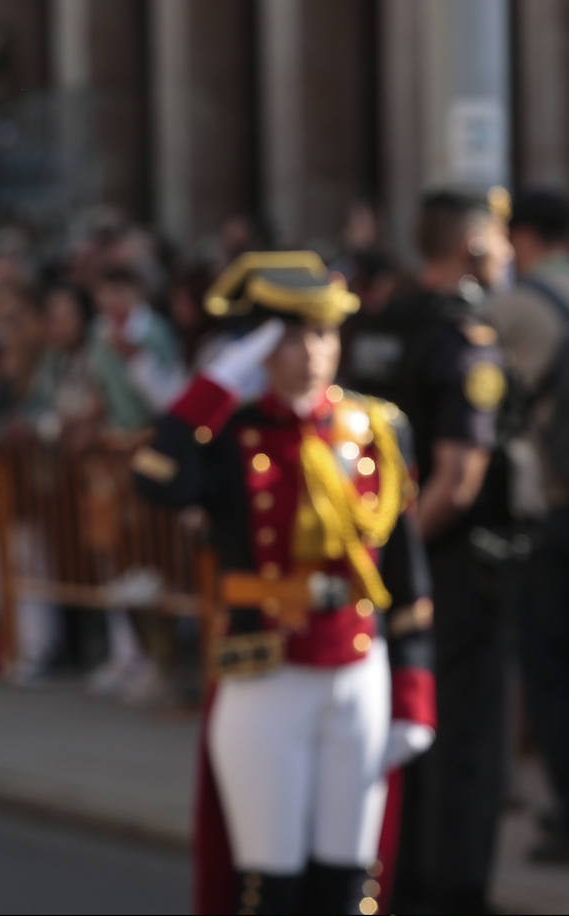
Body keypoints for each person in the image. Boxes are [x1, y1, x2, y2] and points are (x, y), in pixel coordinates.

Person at [131, 252, 436, 914]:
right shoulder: (231, 433)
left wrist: (414, 689)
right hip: (265, 671)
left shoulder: (378, 428)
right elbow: (155, 478)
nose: (312, 352)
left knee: (351, 881)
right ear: (260, 347)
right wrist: (215, 385)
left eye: (323, 333)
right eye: (290, 336)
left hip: (357, 667)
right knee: (271, 882)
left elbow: (406, 569)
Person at [340, 188, 511, 914]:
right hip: (449, 571)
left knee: (400, 730)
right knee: (464, 740)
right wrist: (404, 549)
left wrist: (371, 553)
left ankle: (397, 881)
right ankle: (455, 894)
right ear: (474, 247)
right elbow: (459, 477)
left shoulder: (376, 327)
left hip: (373, 570)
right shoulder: (462, 336)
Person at [486, 187, 569, 864]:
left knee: (548, 663)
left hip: (553, 506)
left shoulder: (517, 308)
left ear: (526, 238)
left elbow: (477, 399)